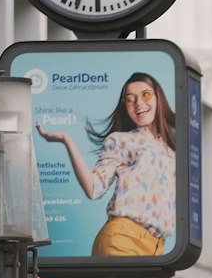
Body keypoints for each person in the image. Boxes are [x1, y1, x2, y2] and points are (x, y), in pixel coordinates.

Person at [37, 72, 178, 257]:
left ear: (158, 97)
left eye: (145, 95)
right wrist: (66, 139)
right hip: (123, 238)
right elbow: (94, 188)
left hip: (157, 248)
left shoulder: (173, 148)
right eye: (130, 99)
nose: (139, 104)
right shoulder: (121, 140)